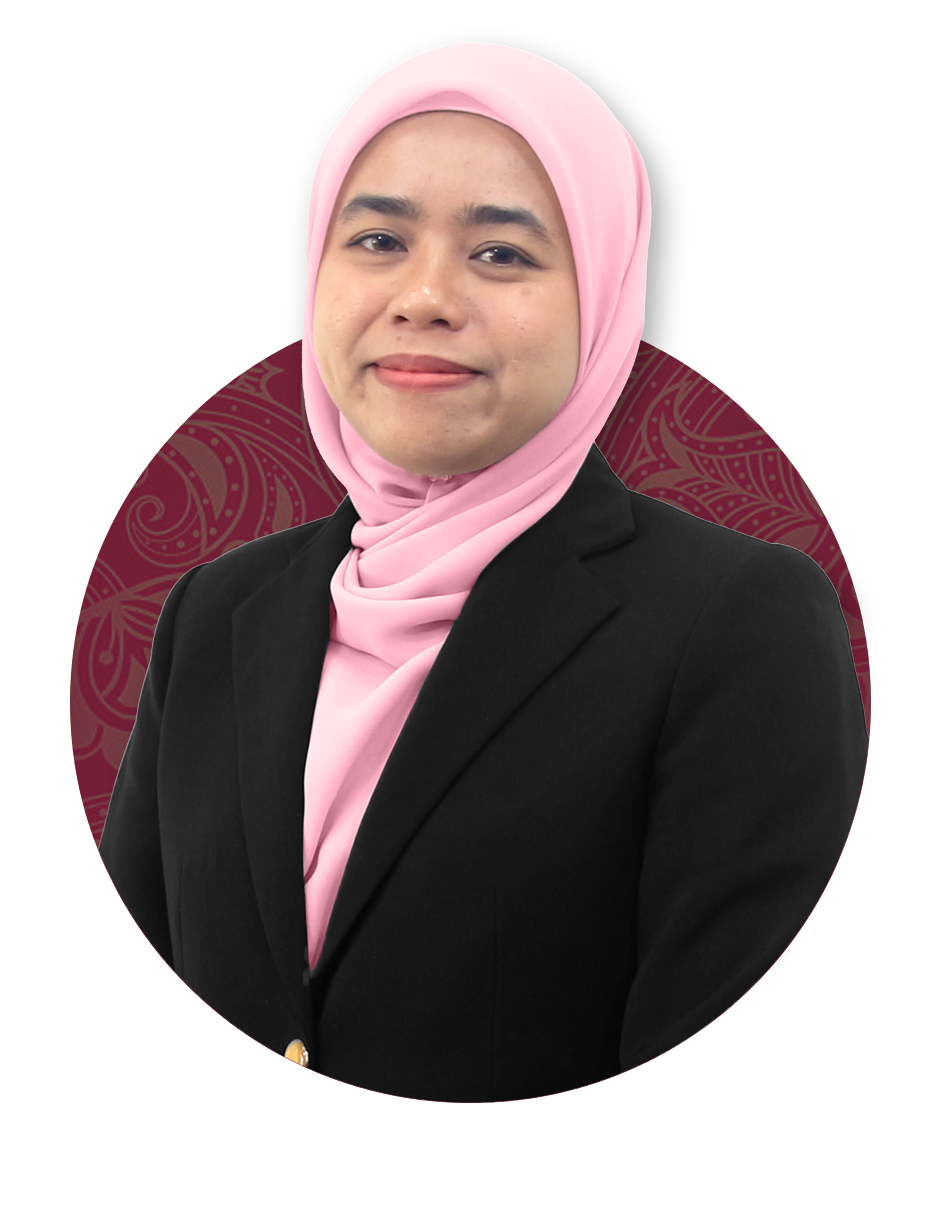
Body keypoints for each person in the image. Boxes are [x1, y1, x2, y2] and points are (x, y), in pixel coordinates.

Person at [99, 43, 868, 1102]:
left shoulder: (735, 620)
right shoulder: (218, 607)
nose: (423, 297)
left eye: (502, 254)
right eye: (377, 239)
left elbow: (728, 1094)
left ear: (603, 299)